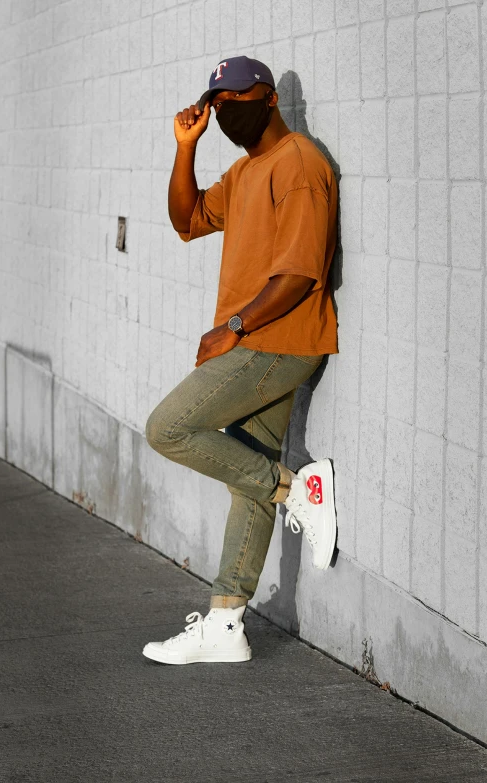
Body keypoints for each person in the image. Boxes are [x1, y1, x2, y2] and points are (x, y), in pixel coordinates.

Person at [142, 56, 338, 665]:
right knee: (244, 474)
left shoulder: (299, 164)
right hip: (260, 341)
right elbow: (187, 219)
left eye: (238, 97)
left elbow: (301, 272)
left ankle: (295, 488)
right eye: (218, 102)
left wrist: (233, 326)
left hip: (280, 341)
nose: (228, 109)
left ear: (270, 97)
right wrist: (184, 148)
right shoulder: (246, 169)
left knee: (169, 428)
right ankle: (227, 624)